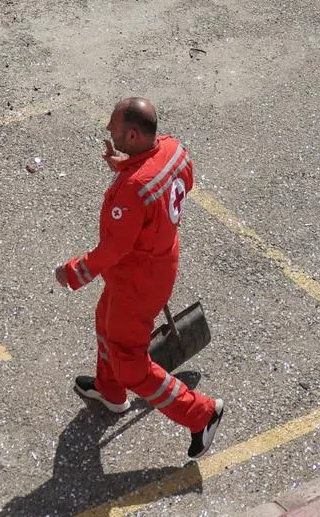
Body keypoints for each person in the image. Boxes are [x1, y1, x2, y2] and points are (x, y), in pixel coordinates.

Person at [55, 98, 224, 459]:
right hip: (158, 265)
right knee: (105, 321)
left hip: (136, 282)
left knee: (132, 365)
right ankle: (109, 390)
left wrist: (72, 273)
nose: (108, 131)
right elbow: (177, 185)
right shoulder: (174, 150)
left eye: (114, 128)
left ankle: (201, 413)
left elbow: (111, 251)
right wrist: (127, 165)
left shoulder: (132, 189)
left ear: (132, 134)